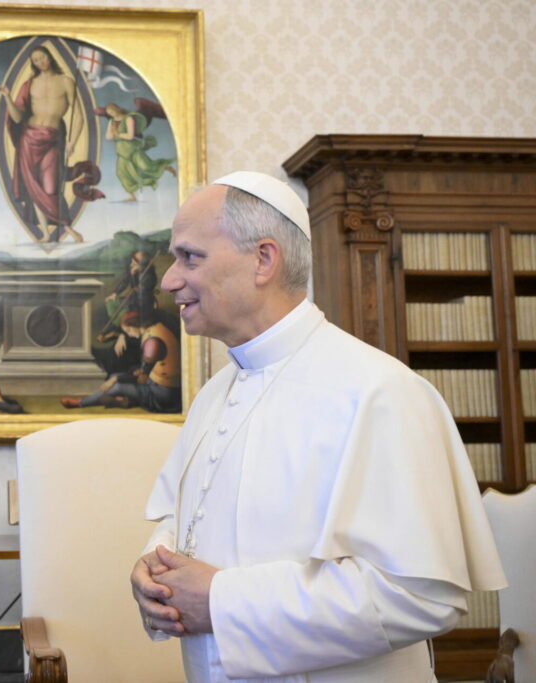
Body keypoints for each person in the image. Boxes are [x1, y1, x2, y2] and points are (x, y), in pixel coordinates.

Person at [129, 171, 507, 681]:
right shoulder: (214, 394)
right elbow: (183, 518)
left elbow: (420, 597)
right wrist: (155, 567)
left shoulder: (380, 391)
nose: (170, 280)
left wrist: (222, 600)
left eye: (189, 257)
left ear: (264, 259)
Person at [0, 45, 84, 243]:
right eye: (35, 60)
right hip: (29, 138)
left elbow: (79, 116)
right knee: (33, 186)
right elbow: (17, 118)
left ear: (50, 57)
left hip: (52, 138)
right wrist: (7, 97)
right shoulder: (29, 84)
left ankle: (68, 228)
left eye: (42, 57)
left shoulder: (66, 81)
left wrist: (72, 141)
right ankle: (45, 232)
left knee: (50, 187)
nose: (40, 62)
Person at [62, 311, 181, 413]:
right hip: (155, 382)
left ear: (135, 325)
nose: (129, 334)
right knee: (115, 376)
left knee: (118, 386)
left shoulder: (152, 343)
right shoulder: (154, 329)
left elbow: (142, 378)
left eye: (128, 330)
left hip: (163, 393)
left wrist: (115, 380)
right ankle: (124, 401)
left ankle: (81, 402)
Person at [104, 101, 176, 201]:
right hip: (121, 151)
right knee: (121, 174)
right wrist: (114, 133)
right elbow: (108, 137)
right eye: (109, 113)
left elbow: (130, 136)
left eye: (112, 111)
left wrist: (118, 134)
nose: (112, 114)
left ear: (117, 109)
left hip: (133, 149)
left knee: (146, 167)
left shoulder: (128, 118)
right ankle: (132, 196)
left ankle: (165, 167)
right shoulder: (112, 122)